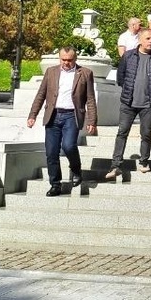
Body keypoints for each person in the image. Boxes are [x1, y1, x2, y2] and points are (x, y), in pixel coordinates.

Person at [27, 46, 98, 197]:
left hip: (71, 115)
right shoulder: (51, 72)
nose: (66, 63)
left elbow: (90, 99)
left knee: (69, 146)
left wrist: (92, 121)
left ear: (75, 59)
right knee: (51, 152)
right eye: (63, 59)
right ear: (59, 58)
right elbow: (41, 94)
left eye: (69, 60)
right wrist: (33, 115)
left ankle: (76, 169)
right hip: (53, 115)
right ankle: (55, 184)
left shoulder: (85, 73)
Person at [105, 29, 151, 180]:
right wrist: (128, 90)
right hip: (128, 102)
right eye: (148, 38)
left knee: (146, 133)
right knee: (122, 132)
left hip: (148, 104)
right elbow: (121, 76)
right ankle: (116, 165)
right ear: (140, 40)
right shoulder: (128, 56)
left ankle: (144, 161)